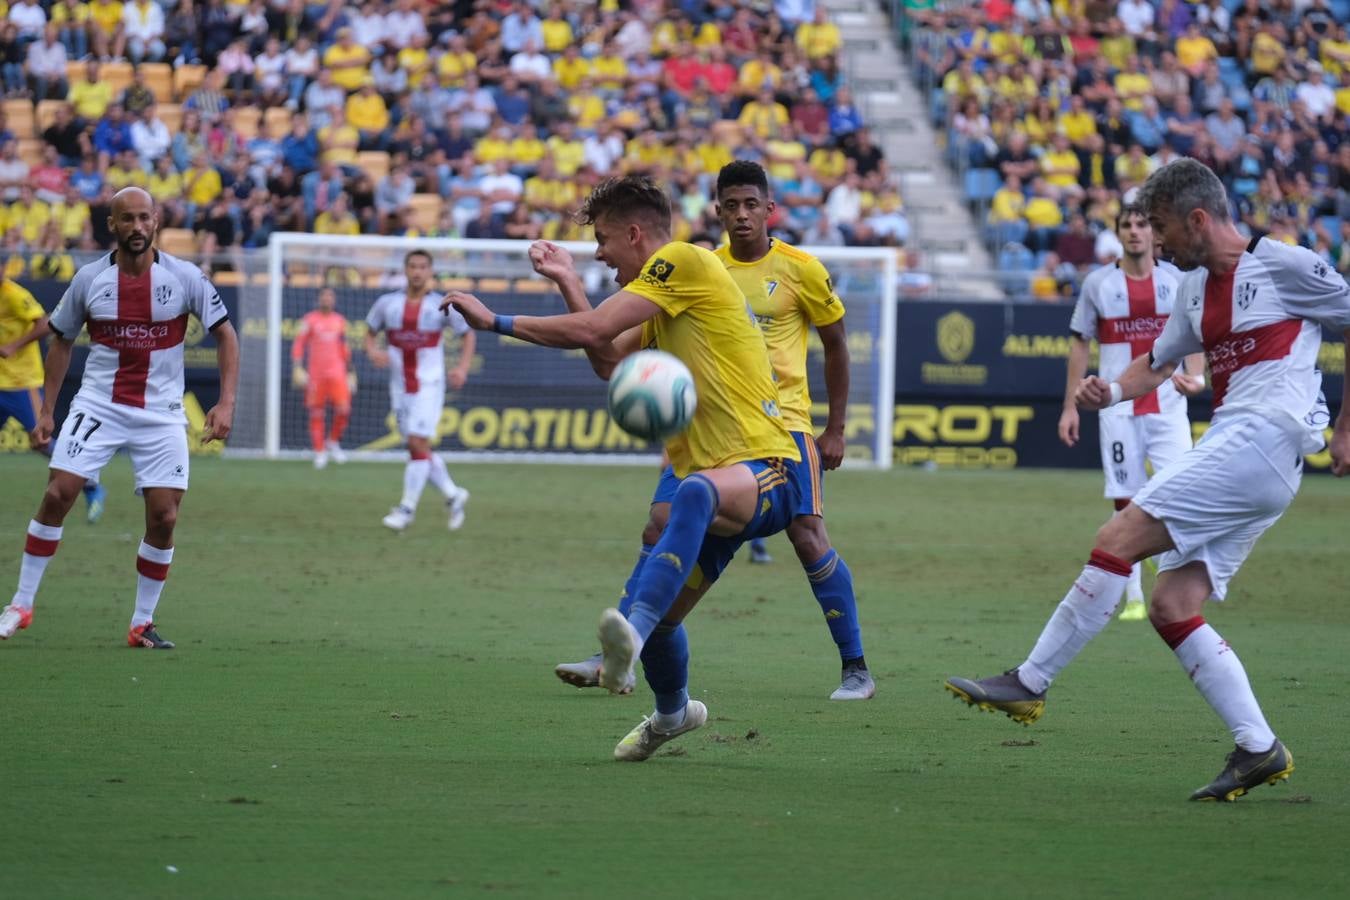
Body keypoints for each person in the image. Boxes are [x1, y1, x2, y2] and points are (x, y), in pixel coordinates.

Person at [945, 159, 1350, 802]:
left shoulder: (1284, 264)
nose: (1156, 242)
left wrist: (1346, 427)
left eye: (1160, 227)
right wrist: (1109, 392)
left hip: (1263, 437)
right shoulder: (1192, 292)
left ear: (1196, 220)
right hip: (1246, 451)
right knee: (1171, 605)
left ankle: (1031, 681)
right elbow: (1157, 364)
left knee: (1117, 536)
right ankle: (1258, 748)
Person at [444, 175, 802, 760]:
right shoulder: (667, 298)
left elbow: (593, 330)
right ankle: (672, 714)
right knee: (668, 614)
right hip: (717, 482)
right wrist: (565, 282)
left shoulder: (682, 261)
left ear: (637, 235)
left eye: (605, 240)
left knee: (684, 504)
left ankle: (627, 637)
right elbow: (608, 360)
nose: (600, 254)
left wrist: (495, 322)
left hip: (766, 466)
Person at [555, 161, 873, 701]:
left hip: (784, 425)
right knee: (658, 524)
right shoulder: (698, 269)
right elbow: (609, 354)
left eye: (752, 204)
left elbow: (836, 345)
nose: (742, 214)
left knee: (806, 535)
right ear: (718, 211)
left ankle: (855, 667)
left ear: (769, 209)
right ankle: (625, 646)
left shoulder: (802, 269)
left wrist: (835, 427)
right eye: (731, 205)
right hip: (710, 431)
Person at [0, 187, 239, 647]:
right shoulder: (89, 279)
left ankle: (141, 623)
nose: (136, 227)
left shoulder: (185, 277)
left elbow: (226, 335)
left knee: (165, 516)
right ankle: (21, 604)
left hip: (161, 412)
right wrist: (47, 410)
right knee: (57, 492)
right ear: (112, 225)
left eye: (144, 218)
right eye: (126, 219)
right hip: (98, 405)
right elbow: (61, 339)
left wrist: (226, 402)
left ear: (156, 222)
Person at [1057, 204, 1206, 621]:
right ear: (1118, 233)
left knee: (1181, 490)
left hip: (1169, 406)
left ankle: (1171, 575)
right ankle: (1134, 596)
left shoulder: (1177, 280)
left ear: (1154, 233)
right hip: (1118, 409)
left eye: (1143, 224)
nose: (1135, 231)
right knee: (1126, 500)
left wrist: (1196, 376)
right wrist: (1070, 405)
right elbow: (1080, 343)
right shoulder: (1098, 284)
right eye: (1127, 225)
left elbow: (1197, 335)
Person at [363, 250, 473, 532]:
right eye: (412, 266)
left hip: (429, 384)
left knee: (416, 442)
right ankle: (453, 494)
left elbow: (467, 334)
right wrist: (373, 351)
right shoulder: (388, 303)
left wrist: (462, 367)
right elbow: (369, 330)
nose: (417, 272)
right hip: (399, 387)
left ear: (430, 271)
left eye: (423, 267)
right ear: (405, 269)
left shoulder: (440, 305)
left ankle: (407, 508)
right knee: (417, 447)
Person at [1, 277, 107, 522]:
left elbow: (46, 323)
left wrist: (13, 346)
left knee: (40, 440)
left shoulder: (15, 295)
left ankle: (91, 483)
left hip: (21, 382)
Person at [292, 287, 355, 469]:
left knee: (344, 410)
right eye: (324, 296)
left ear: (334, 300)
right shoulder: (309, 320)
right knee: (317, 412)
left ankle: (333, 441)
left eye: (330, 296)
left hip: (338, 374)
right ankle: (319, 452)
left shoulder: (340, 321)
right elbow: (299, 344)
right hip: (316, 376)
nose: (327, 299)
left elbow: (345, 347)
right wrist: (297, 367)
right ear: (318, 299)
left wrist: (351, 371)